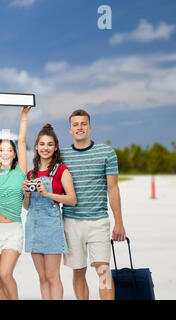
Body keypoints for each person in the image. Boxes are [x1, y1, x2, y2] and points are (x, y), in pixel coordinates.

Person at [61, 109, 127, 300]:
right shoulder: (62, 156)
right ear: (70, 130)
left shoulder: (106, 152)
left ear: (89, 127)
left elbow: (113, 189)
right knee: (78, 272)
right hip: (71, 222)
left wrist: (119, 223)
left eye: (83, 124)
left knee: (104, 270)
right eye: (75, 124)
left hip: (98, 221)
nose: (79, 128)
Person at [22, 123, 77, 300]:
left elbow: (72, 199)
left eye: (50, 144)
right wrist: (26, 193)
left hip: (52, 225)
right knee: (42, 277)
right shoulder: (31, 174)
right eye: (42, 144)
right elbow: (26, 207)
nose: (46, 148)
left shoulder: (61, 170)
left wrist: (48, 194)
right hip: (33, 225)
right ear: (36, 147)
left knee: (53, 277)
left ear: (55, 148)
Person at [0, 104, 31, 300]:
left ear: (14, 154)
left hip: (13, 231)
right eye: (0, 150)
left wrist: (24, 115)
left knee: (5, 274)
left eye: (8, 150)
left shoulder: (20, 172)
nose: (4, 152)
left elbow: (22, 140)